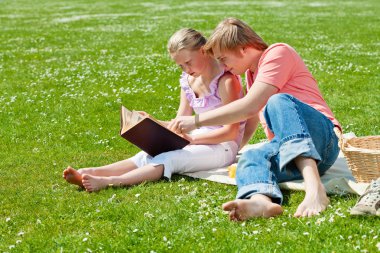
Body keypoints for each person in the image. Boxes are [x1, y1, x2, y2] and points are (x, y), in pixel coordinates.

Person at [169, 18, 341, 219]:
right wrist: (236, 147)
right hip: (290, 153)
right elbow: (251, 117)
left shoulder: (278, 53)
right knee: (252, 157)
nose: (222, 65)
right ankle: (261, 202)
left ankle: (314, 190)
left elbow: (249, 106)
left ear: (242, 49)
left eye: (223, 58)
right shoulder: (252, 74)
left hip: (323, 140)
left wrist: (196, 121)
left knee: (278, 101)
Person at [63, 28, 246, 192]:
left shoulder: (226, 81)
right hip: (196, 138)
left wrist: (192, 140)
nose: (186, 69)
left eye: (188, 62)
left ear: (203, 51)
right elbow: (180, 123)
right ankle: (92, 172)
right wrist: (153, 122)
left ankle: (111, 181)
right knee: (148, 154)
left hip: (223, 147)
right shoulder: (188, 81)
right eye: (180, 66)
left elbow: (231, 132)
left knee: (170, 158)